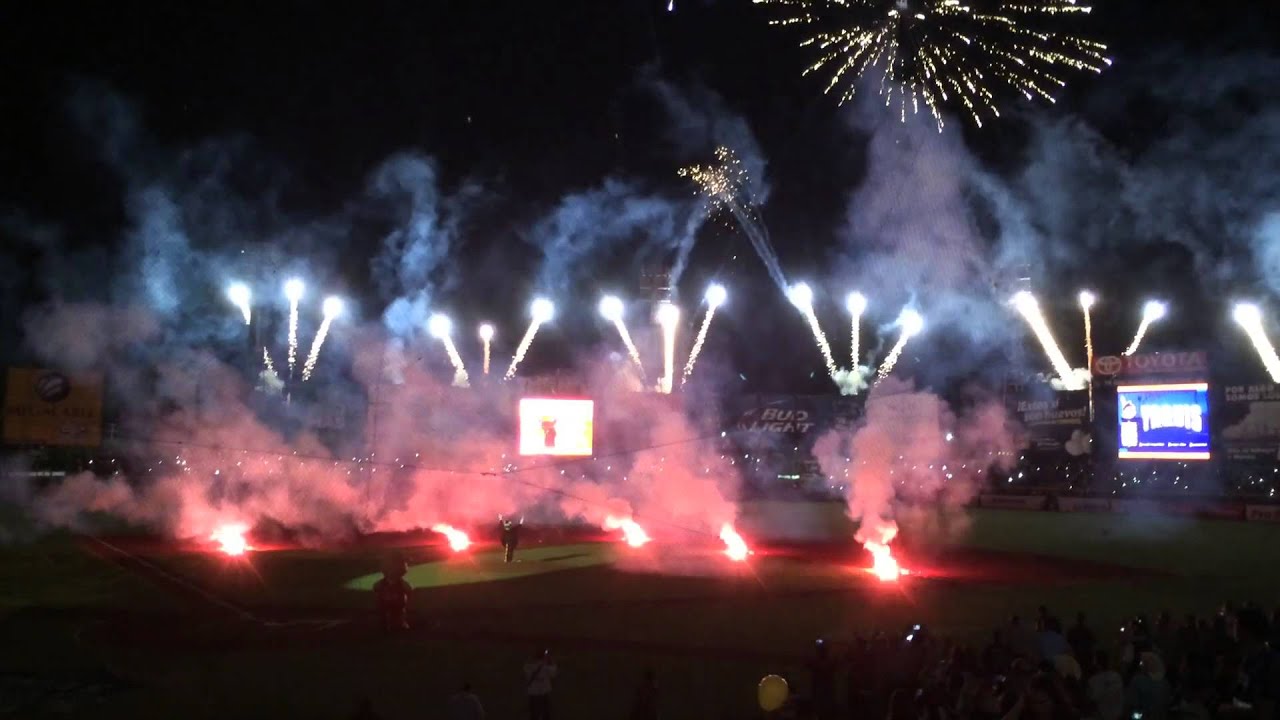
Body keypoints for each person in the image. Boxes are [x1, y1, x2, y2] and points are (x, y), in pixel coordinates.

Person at [372, 555, 411, 632]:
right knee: (386, 613)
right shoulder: (383, 583)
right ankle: (387, 625)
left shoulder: (401, 583)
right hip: (386, 601)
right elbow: (376, 588)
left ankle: (400, 623)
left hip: (397, 602)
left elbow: (408, 589)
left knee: (398, 613)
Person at [1087, 650, 1124, 720]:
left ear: (1096, 662)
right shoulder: (1117, 676)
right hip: (1117, 715)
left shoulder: (1093, 680)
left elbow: (1092, 699)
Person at [524, 648, 557, 720]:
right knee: (545, 712)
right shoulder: (545, 666)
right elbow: (553, 673)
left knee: (534, 712)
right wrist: (550, 661)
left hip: (534, 690)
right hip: (543, 690)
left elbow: (527, 673)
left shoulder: (529, 665)